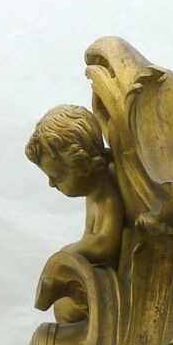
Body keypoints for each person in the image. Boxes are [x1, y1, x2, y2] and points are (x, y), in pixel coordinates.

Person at [25, 104, 124, 267]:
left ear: (88, 166)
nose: (51, 184)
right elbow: (90, 238)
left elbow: (103, 244)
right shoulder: (92, 192)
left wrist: (68, 250)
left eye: (58, 177)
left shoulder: (106, 197)